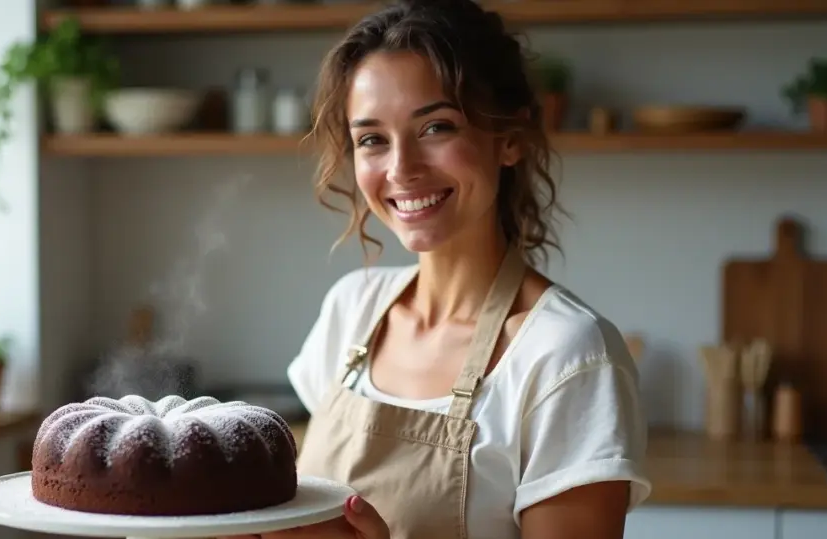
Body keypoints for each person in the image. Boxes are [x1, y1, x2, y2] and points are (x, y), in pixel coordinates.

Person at [225, 0, 651, 537]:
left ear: (511, 139)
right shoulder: (351, 310)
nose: (401, 169)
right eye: (372, 139)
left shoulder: (567, 356)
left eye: (436, 128)